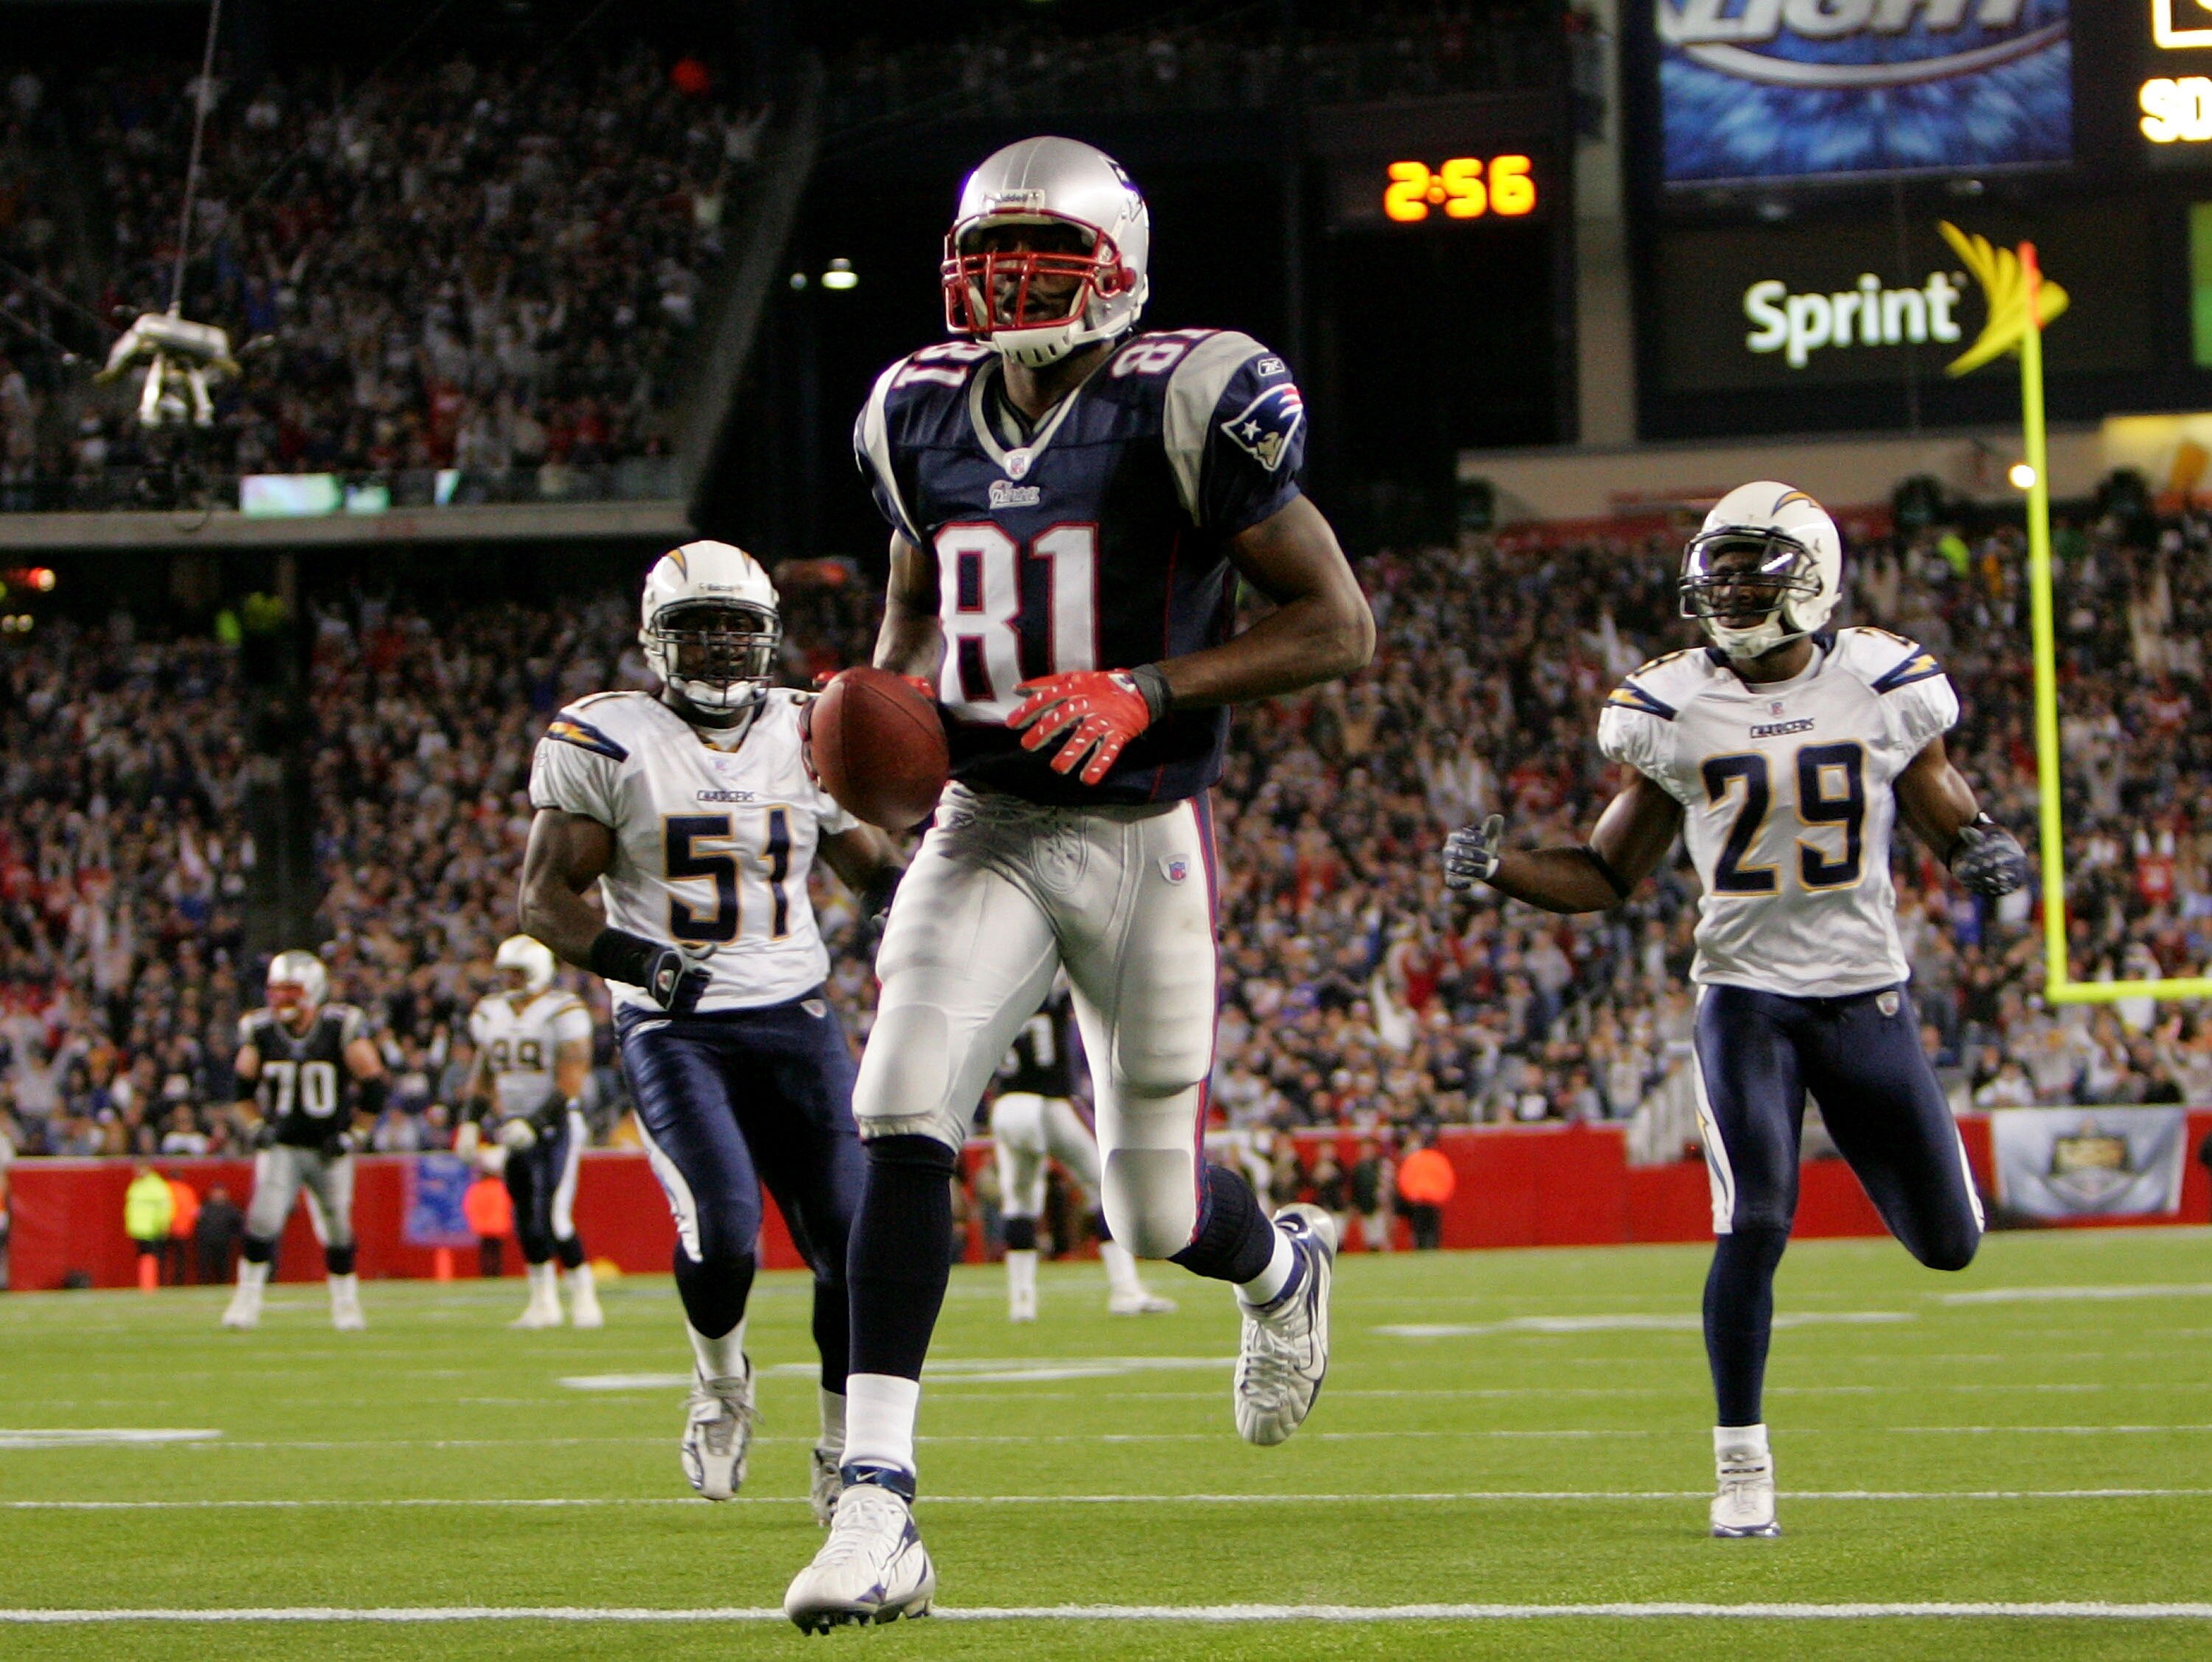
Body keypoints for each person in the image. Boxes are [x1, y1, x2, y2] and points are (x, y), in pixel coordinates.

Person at [784, 134, 1374, 1630]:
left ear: (1116, 266)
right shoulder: (914, 408)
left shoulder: (1188, 395)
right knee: (899, 1105)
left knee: (1153, 1210)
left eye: (1040, 254)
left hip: (1138, 833)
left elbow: (1337, 624)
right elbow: (911, 615)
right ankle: (876, 1501)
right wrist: (871, 717)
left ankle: (1280, 1264)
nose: (1005, 283)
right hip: (983, 816)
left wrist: (1146, 686)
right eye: (986, 255)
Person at [1441, 481, 2028, 1540]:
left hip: (1865, 994)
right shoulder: (1677, 705)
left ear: (1815, 576)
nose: (1732, 592)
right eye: (1720, 572)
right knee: (1755, 1218)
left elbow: (1945, 800)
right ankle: (1743, 1464)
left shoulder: (1883, 683)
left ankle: (1923, 1202)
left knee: (1950, 1245)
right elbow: (1607, 873)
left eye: (1755, 572)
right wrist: (1503, 869)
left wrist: (1979, 842)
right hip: (1747, 999)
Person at [519, 540, 904, 1527]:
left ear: (768, 633)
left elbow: (870, 867)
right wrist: (639, 961)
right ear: (658, 639)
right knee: (725, 1230)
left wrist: (909, 915)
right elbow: (545, 899)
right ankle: (722, 1383)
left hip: (796, 1017)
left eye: (739, 625)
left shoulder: (809, 727)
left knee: (851, 1240)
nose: (724, 645)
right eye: (700, 627)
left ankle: (843, 1445)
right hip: (676, 1027)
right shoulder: (609, 736)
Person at [989, 977, 1174, 1321]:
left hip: (1006, 1106)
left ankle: (1022, 1302)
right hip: (1049, 1103)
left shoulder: (997, 996)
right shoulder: (1047, 990)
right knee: (1105, 1188)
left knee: (1020, 1202)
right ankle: (1125, 1290)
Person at [221, 952, 388, 1332]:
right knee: (262, 1219)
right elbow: (240, 1092)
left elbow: (375, 1086)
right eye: (276, 990)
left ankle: (346, 1304)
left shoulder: (340, 1027)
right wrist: (256, 1128)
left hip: (329, 1147)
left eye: (290, 990)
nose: (281, 999)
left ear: (312, 990)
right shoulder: (261, 1030)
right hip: (283, 1145)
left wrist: (354, 1136)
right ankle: (247, 1301)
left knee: (337, 1228)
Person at [458, 935, 603, 1329]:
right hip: (513, 1124)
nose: (509, 980)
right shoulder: (490, 1012)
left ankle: (584, 1294)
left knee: (555, 1216)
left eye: (517, 973)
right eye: (505, 972)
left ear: (538, 971)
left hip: (558, 1122)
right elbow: (485, 1073)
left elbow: (572, 1077)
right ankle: (543, 1302)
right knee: (525, 1216)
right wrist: (471, 1121)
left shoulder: (563, 1010)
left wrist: (535, 1123)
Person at [125, 1161, 173, 1292]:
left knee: (153, 1256)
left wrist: (163, 1223)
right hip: (139, 1228)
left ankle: (153, 1284)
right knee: (144, 1256)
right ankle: (146, 1284)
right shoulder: (137, 1184)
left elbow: (164, 1206)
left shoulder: (156, 1185)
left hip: (153, 1228)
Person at [194, 1183, 242, 1287]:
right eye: (215, 1192)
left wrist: (232, 1236)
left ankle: (223, 1285)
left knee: (222, 1268)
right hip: (206, 1243)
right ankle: (203, 1286)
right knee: (204, 1267)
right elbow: (197, 1223)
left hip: (223, 1243)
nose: (217, 1195)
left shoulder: (231, 1209)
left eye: (220, 1193)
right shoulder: (204, 1207)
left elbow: (239, 1224)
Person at [164, 1173, 201, 1284]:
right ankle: (179, 1283)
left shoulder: (165, 1190)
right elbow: (194, 1212)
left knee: (163, 1260)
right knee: (180, 1260)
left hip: (165, 1229)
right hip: (183, 1230)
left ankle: (162, 1282)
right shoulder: (187, 1191)